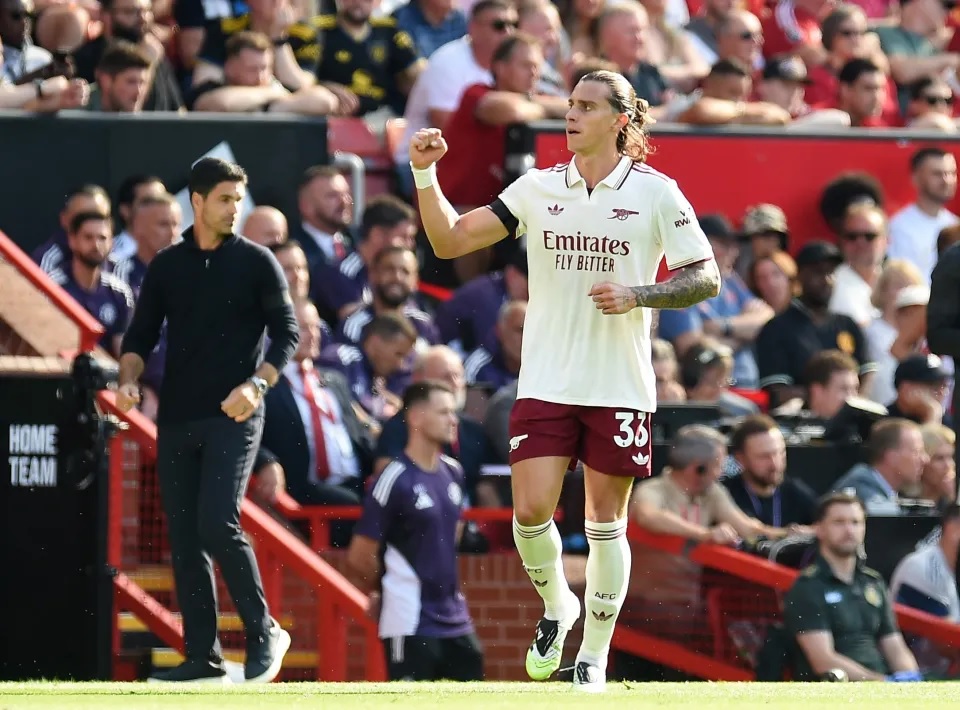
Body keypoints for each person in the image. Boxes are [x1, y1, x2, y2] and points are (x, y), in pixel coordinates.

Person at [407, 69, 721, 690]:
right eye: (570, 104)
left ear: (620, 120)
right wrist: (424, 174)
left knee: (605, 524)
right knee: (529, 512)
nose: (571, 114)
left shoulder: (657, 192)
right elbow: (448, 241)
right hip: (546, 380)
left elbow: (704, 277)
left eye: (586, 106)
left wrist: (639, 293)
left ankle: (593, 658)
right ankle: (558, 606)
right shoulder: (538, 187)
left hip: (619, 385)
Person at [115, 157, 299, 684]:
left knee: (217, 520)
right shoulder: (167, 266)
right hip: (177, 417)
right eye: (224, 199)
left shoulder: (258, 261)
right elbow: (139, 338)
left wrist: (257, 385)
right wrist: (128, 380)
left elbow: (287, 334)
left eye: (238, 200)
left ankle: (264, 632)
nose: (234, 209)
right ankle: (203, 657)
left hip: (236, 413)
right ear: (195, 201)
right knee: (185, 538)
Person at [346, 381, 484, 682]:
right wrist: (387, 589)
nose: (453, 420)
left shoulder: (454, 471)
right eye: (444, 412)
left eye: (454, 412)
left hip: (456, 618)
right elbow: (360, 555)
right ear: (416, 417)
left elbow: (452, 537)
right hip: (409, 619)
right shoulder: (394, 477)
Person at [783, 492, 921, 682]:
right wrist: (882, 683)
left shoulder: (873, 582)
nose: (849, 530)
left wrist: (911, 679)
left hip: (880, 685)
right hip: (834, 689)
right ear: (820, 529)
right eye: (839, 522)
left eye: (856, 522)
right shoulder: (808, 586)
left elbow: (895, 646)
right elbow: (823, 660)